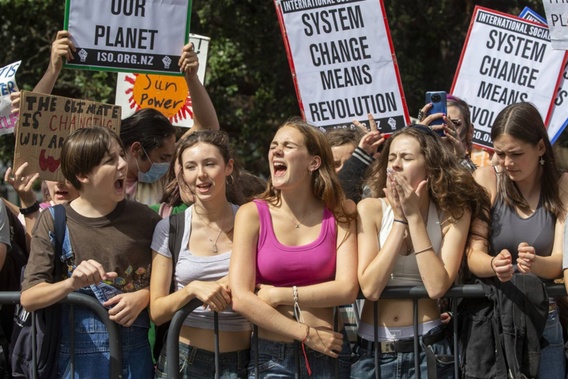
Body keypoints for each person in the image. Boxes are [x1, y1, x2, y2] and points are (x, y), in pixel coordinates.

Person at [20, 126, 161, 378]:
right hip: (76, 364)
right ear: (83, 174)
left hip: (136, 362)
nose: (122, 164)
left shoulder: (148, 220)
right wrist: (71, 284)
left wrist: (144, 297)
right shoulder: (54, 221)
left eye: (121, 155)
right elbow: (29, 297)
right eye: (110, 160)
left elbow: (171, 285)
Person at [353, 125, 490, 378]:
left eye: (406, 158)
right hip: (372, 354)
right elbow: (371, 288)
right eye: (391, 158)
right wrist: (399, 221)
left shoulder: (454, 212)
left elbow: (437, 285)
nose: (395, 165)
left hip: (428, 350)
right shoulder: (369, 208)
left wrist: (415, 217)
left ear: (430, 165)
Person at [230, 118, 358, 378]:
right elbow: (241, 298)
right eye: (273, 145)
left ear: (314, 162)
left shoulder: (342, 211)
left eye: (288, 146)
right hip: (272, 356)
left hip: (329, 353)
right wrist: (306, 334)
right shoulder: (251, 214)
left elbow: (347, 289)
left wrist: (281, 295)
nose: (276, 151)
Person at [466, 102, 567, 378]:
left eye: (516, 154)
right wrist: (493, 264)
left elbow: (559, 262)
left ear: (541, 148)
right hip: (494, 322)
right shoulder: (487, 178)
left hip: (545, 321)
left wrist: (535, 263)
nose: (506, 162)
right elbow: (474, 254)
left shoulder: (562, 186)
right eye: (499, 153)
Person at [150, 130, 250, 378]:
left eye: (210, 164)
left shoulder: (253, 220)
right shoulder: (170, 228)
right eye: (191, 167)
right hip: (183, 362)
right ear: (182, 173)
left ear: (228, 167)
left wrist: (227, 283)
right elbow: (157, 311)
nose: (201, 174)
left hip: (246, 362)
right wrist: (191, 289)